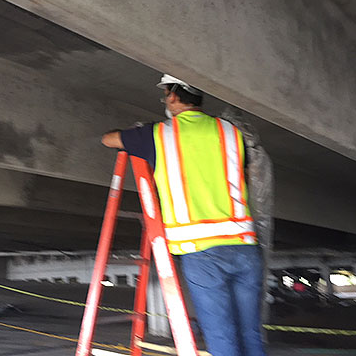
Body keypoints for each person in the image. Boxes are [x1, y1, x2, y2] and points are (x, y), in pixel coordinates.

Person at [101, 74, 267, 356]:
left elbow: (108, 139)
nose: (165, 100)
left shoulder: (159, 133)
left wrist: (135, 131)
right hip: (245, 248)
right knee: (249, 332)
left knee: (221, 335)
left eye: (165, 94)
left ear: (174, 96)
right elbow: (246, 174)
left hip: (202, 253)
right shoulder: (231, 132)